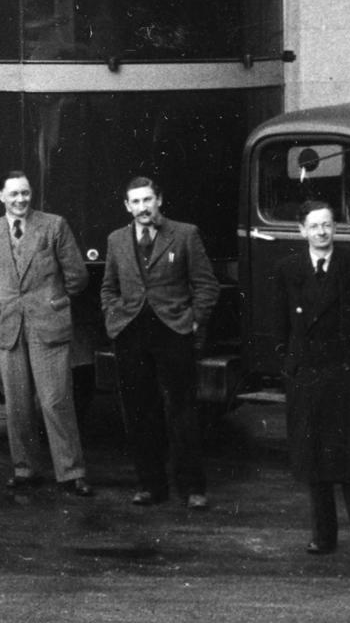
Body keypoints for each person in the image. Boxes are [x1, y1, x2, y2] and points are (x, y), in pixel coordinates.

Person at [269, 202, 350, 560]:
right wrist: (289, 365)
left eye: (327, 225)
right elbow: (278, 324)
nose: (322, 232)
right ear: (302, 231)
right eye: (315, 226)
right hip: (307, 377)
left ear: (335, 228)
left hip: (347, 376)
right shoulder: (288, 269)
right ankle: (323, 536)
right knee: (314, 461)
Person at [100, 176, 219, 509]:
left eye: (147, 200)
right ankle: (150, 485)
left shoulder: (185, 234)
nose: (142, 208)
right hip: (131, 332)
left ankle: (193, 488)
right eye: (135, 202)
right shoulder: (116, 240)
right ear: (127, 206)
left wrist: (194, 321)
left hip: (173, 330)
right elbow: (109, 287)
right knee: (140, 411)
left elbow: (206, 285)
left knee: (182, 411)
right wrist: (114, 320)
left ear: (159, 201)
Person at [0, 169, 92, 496]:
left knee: (55, 400)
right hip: (9, 324)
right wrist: (9, 301)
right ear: (1, 196)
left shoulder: (54, 225)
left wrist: (51, 300)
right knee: (17, 403)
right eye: (13, 194)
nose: (21, 199)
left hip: (47, 324)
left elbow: (77, 277)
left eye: (25, 193)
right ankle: (24, 468)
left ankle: (71, 472)